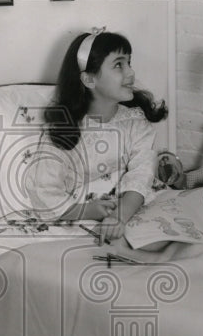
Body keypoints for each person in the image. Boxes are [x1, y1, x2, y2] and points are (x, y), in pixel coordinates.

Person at [26, 29, 167, 242]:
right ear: (89, 80)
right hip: (84, 215)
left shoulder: (134, 121)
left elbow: (142, 172)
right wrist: (86, 211)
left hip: (131, 206)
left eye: (129, 62)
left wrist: (120, 216)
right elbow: (44, 190)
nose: (131, 73)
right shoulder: (65, 131)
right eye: (119, 65)